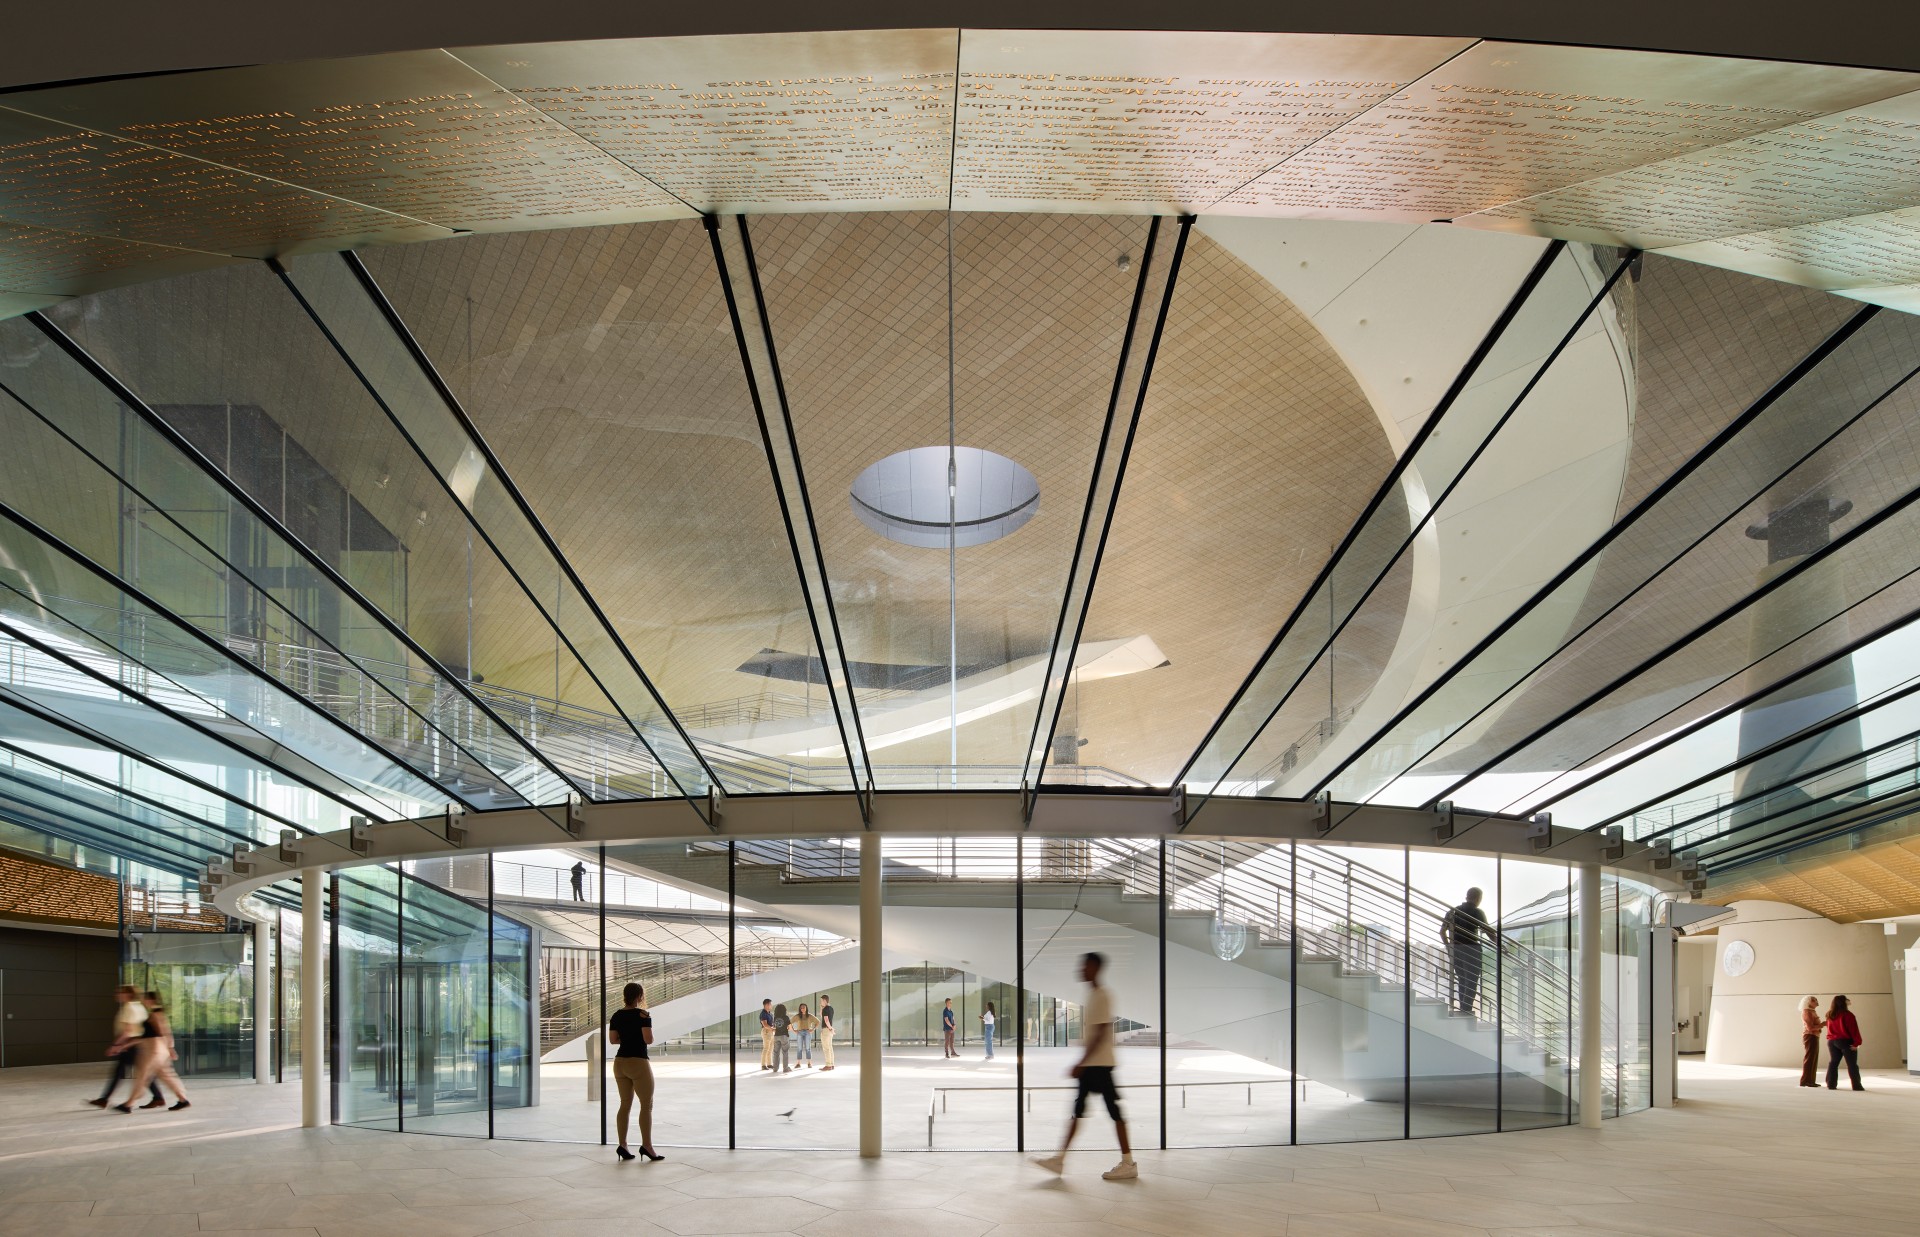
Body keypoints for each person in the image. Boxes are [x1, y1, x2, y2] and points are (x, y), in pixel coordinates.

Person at [1032, 952, 1135, 1181]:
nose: (1082, 969)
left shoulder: (1102, 995)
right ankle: (1060, 1159)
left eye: (1086, 966)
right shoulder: (1094, 995)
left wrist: (1081, 1062)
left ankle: (1128, 1162)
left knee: (1112, 1112)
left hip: (1098, 1064)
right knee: (1080, 1111)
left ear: (1096, 968)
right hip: (1094, 1064)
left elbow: (1099, 1033)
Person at [607, 982, 663, 1161]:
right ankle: (647, 1146)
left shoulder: (616, 1015)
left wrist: (627, 1036)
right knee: (646, 1105)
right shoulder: (643, 1015)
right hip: (638, 1062)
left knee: (625, 1104)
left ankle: (622, 1145)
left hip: (620, 1062)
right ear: (639, 996)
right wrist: (645, 1024)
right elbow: (649, 1039)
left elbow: (613, 1040)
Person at [88, 984, 162, 1110]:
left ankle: (107, 1100)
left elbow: (128, 1030)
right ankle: (157, 1097)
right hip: (138, 1043)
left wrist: (116, 1045)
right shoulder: (140, 1006)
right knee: (136, 1072)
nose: (117, 995)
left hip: (129, 1044)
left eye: (120, 992)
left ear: (128, 994)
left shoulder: (128, 1007)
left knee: (125, 1072)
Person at [118, 992, 189, 1112]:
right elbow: (147, 1036)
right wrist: (127, 1044)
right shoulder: (154, 1014)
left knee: (143, 1076)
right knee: (166, 1076)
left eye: (144, 999)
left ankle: (128, 1104)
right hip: (157, 1050)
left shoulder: (156, 1014)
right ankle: (183, 1100)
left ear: (151, 1000)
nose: (143, 1001)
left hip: (154, 1050)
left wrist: (171, 1048)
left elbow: (164, 1032)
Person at [1440, 887, 1492, 1017]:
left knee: (1462, 980)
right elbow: (1488, 931)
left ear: (1466, 896)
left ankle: (1464, 1009)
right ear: (1478, 898)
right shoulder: (1477, 912)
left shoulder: (1452, 912)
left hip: (1456, 950)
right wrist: (1500, 945)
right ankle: (1466, 1010)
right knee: (1471, 980)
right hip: (1472, 949)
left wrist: (1449, 947)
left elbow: (1442, 932)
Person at [1825, 994, 1865, 1091]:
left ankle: (1831, 1084)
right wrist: (1857, 1043)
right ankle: (1856, 1086)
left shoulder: (1829, 1014)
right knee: (1852, 1064)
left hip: (1831, 1041)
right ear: (1843, 1002)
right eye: (1846, 999)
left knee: (1833, 1063)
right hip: (1845, 1041)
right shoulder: (1848, 1015)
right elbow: (1854, 1030)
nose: (1849, 1000)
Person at [1799, 996, 1823, 1088]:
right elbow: (1810, 1027)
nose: (1817, 1002)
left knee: (1813, 1058)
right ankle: (1805, 1081)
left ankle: (1811, 1080)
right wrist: (1822, 1025)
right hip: (1810, 1036)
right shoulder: (1807, 1012)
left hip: (1814, 1036)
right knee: (1810, 1058)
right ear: (1809, 1002)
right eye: (1814, 1000)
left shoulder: (1811, 1011)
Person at [792, 1003, 818, 1068]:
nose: (802, 1009)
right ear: (800, 1009)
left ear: (806, 1008)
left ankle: (809, 1063)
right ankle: (798, 1063)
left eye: (804, 1007)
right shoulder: (797, 1016)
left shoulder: (810, 1016)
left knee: (808, 1048)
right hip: (799, 1033)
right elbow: (789, 1022)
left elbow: (818, 1022)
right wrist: (793, 1030)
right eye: (801, 1008)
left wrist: (813, 1029)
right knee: (799, 1048)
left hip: (807, 1033)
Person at [771, 1002, 792, 1074]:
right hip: (784, 1036)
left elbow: (773, 1027)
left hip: (776, 1036)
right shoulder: (786, 1017)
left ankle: (775, 1068)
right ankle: (785, 1068)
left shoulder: (775, 1018)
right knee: (785, 1052)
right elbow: (789, 1028)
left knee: (776, 1053)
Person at [818, 994, 836, 1071]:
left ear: (824, 1000)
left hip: (826, 1030)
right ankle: (831, 1064)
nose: (820, 1002)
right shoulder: (831, 1008)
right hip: (829, 1030)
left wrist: (830, 1028)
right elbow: (822, 1015)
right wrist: (831, 1028)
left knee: (826, 1048)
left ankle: (828, 1065)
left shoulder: (825, 1009)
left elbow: (826, 1020)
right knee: (830, 1047)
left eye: (821, 1001)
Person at [759, 998, 775, 1070]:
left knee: (770, 1048)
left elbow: (772, 1023)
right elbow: (765, 1025)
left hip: (771, 1032)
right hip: (766, 1031)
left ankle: (769, 1064)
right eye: (770, 1004)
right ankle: (763, 1065)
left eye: (771, 1004)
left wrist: (774, 1028)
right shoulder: (763, 1013)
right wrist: (773, 1028)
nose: (771, 1005)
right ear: (766, 1005)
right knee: (766, 1048)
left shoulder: (770, 1014)